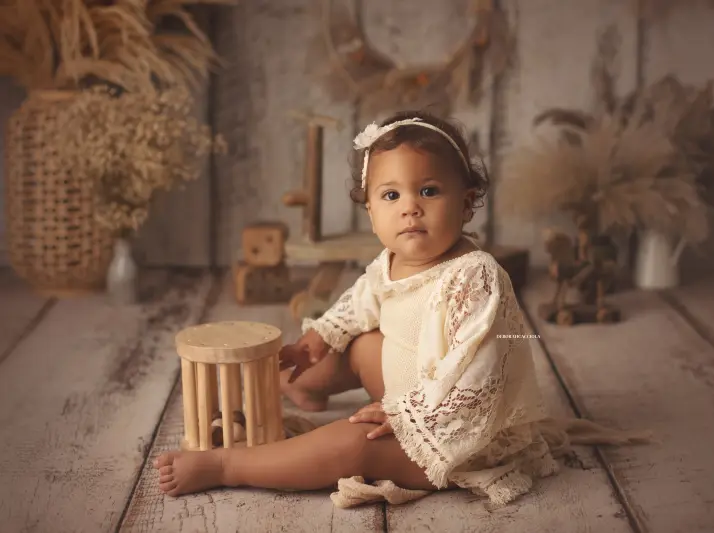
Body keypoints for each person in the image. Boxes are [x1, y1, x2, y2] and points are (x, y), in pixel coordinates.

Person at [153, 110, 647, 507]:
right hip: (408, 390)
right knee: (360, 340)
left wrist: (405, 414)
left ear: (467, 201)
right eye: (392, 195)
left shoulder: (475, 276)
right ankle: (300, 386)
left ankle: (229, 466)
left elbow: (477, 377)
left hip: (453, 436)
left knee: (350, 444)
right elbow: (358, 303)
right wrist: (319, 338)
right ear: (372, 212)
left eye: (428, 191)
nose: (410, 206)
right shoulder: (390, 263)